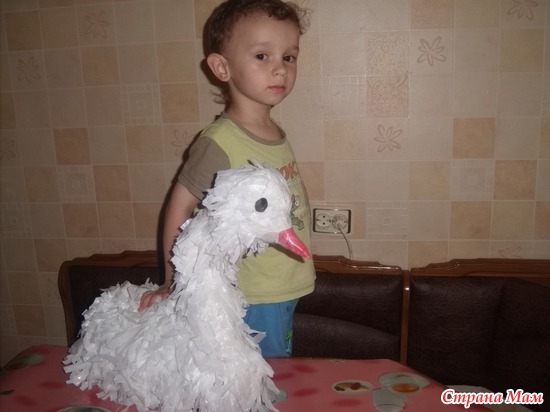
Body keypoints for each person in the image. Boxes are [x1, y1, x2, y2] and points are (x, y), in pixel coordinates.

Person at [139, 0, 315, 358]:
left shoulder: (273, 132)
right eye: (262, 56)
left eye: (289, 57)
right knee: (260, 377)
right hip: (251, 292)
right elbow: (179, 208)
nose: (280, 68)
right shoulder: (220, 142)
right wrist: (173, 279)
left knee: (276, 370)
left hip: (281, 284)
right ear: (222, 67)